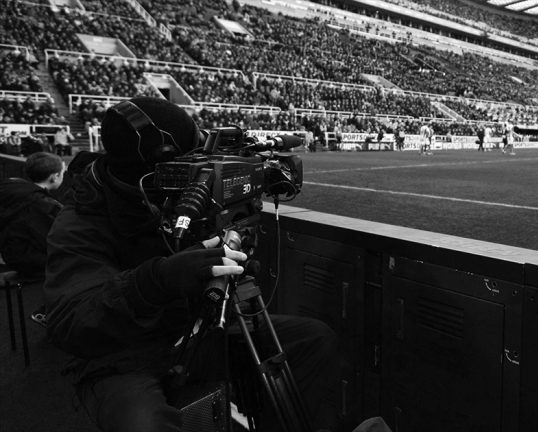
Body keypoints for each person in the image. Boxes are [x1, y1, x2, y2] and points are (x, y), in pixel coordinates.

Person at [44, 97, 341, 432]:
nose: (202, 166)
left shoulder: (176, 195)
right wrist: (157, 280)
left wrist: (226, 252)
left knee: (313, 340)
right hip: (121, 356)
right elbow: (72, 322)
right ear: (159, 168)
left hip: (195, 332)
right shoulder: (79, 221)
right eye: (190, 159)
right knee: (145, 424)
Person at [0, 152, 66, 326]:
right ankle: (53, 314)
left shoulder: (13, 190)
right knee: (75, 261)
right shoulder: (43, 205)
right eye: (63, 174)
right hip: (27, 258)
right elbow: (56, 240)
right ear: (54, 177)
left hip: (10, 252)